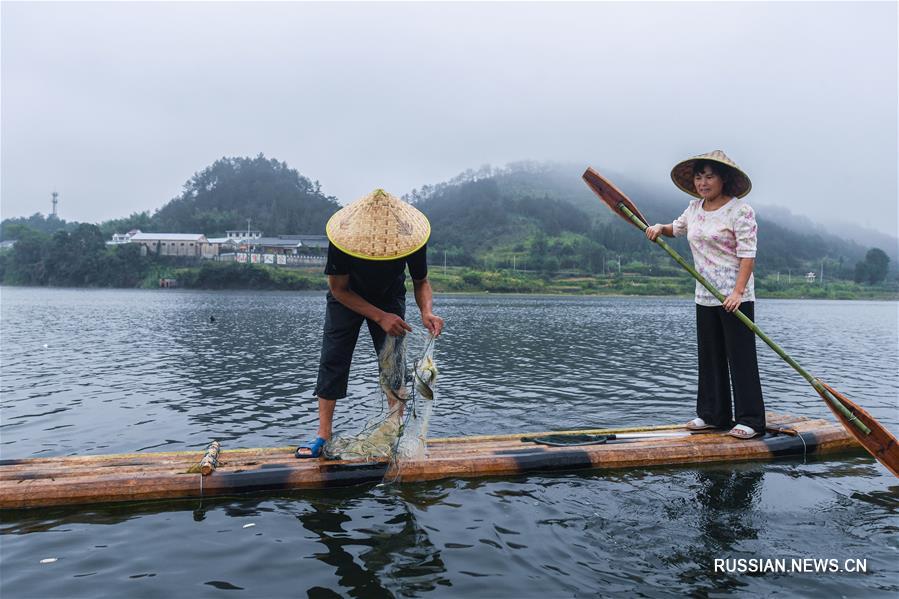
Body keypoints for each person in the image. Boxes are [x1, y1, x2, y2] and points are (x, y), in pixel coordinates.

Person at [296, 189, 445, 458]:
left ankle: (394, 430)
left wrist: (426, 312)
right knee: (334, 359)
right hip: (347, 297)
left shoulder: (410, 236)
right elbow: (338, 289)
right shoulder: (343, 239)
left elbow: (421, 281)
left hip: (389, 295)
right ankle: (323, 435)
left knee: (393, 364)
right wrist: (379, 317)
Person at [645, 150, 765, 439]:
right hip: (705, 295)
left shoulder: (740, 211)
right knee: (709, 356)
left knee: (740, 357)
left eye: (709, 176)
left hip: (734, 297)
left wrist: (737, 292)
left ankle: (751, 419)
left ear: (723, 179)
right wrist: (660, 228)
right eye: (699, 177)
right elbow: (679, 228)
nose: (703, 182)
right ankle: (713, 415)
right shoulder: (694, 207)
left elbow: (748, 255)